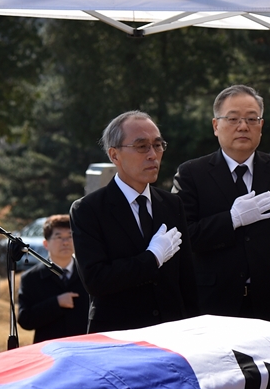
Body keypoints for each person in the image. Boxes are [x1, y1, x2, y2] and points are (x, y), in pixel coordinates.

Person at [174, 85, 270, 327]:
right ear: (216, 126)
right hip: (212, 307)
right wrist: (232, 220)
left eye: (251, 119)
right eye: (233, 119)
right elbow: (183, 238)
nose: (243, 126)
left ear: (261, 125)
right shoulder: (191, 174)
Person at [70, 111, 196, 332]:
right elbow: (96, 280)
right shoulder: (88, 209)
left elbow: (186, 278)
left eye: (158, 145)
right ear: (114, 155)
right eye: (141, 147)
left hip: (172, 333)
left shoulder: (171, 204)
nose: (153, 155)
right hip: (118, 335)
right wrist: (152, 258)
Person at [16, 214, 90, 343]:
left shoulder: (88, 272)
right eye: (59, 237)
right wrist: (56, 303)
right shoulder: (32, 278)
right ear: (46, 244)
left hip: (85, 348)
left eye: (70, 236)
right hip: (49, 351)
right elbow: (25, 320)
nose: (65, 242)